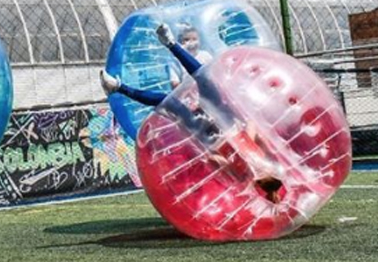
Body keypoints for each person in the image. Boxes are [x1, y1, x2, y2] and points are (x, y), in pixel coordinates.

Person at [100, 23, 284, 203]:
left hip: (218, 133)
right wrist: (242, 137)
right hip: (218, 133)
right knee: (193, 88)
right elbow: (222, 155)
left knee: (176, 100)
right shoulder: (254, 169)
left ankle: (120, 85)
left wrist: (243, 137)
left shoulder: (251, 172)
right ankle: (121, 84)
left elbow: (222, 154)